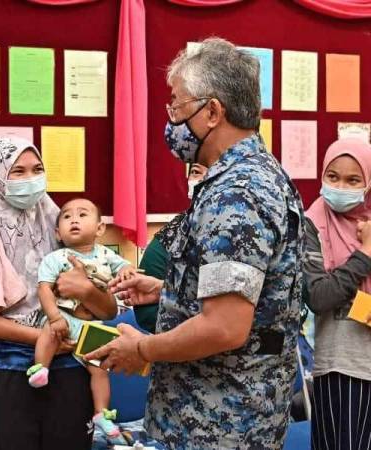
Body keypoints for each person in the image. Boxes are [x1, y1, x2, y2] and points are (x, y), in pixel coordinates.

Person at [85, 37, 305, 449]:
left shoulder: (238, 192)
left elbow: (225, 327)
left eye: (176, 105)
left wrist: (143, 348)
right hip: (217, 415)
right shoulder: (255, 174)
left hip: (217, 423)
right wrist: (171, 292)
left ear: (212, 112)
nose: (170, 119)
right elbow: (248, 301)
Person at [0, 137, 117, 450]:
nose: (30, 178)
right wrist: (39, 338)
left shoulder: (63, 224)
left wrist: (86, 289)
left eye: (37, 169)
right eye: (18, 171)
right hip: (8, 372)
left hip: (72, 370)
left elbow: (108, 309)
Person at [28, 198, 133, 440]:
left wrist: (127, 270)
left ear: (99, 229)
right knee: (47, 334)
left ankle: (101, 414)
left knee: (99, 371)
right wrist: (54, 317)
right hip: (63, 317)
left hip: (92, 324)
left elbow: (125, 267)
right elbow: (44, 289)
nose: (74, 219)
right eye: (66, 216)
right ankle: (41, 368)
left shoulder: (106, 254)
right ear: (57, 232)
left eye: (82, 214)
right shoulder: (56, 258)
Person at [303, 138, 371, 449]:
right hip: (342, 365)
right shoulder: (313, 223)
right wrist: (366, 254)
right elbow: (319, 296)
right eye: (333, 177)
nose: (341, 186)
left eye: (353, 179)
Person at [133, 163, 207, 333]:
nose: (202, 179)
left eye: (213, 171)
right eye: (195, 172)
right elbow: (146, 312)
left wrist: (171, 295)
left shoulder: (243, 230)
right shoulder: (174, 232)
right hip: (178, 346)